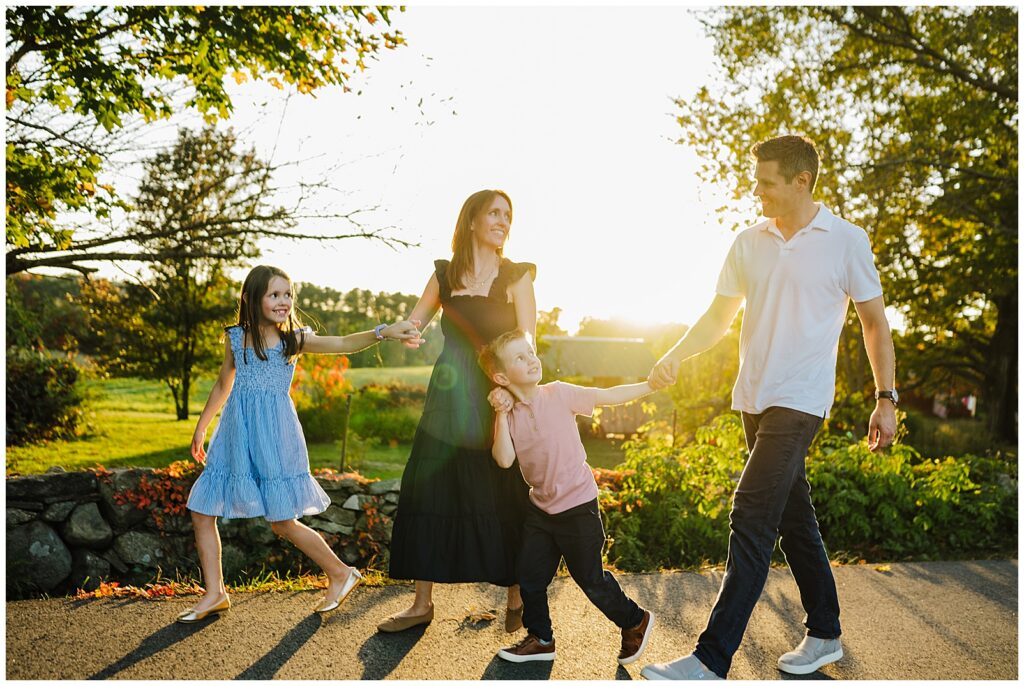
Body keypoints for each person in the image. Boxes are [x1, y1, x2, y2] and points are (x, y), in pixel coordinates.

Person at [640, 135, 898, 680]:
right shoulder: (748, 241)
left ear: (801, 181)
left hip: (801, 400)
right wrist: (675, 354)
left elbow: (874, 323)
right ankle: (825, 633)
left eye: (766, 181)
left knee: (751, 515)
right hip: (752, 398)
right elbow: (716, 317)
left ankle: (711, 660)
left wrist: (885, 398)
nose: (755, 190)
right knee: (793, 519)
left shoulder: (847, 241)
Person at [178, 265, 422, 623]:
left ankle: (340, 573)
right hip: (236, 433)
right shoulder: (234, 337)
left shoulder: (293, 339)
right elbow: (222, 385)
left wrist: (383, 332)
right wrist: (202, 427)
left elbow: (343, 344)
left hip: (275, 435)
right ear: (250, 298)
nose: (283, 302)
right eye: (274, 295)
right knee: (202, 509)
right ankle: (215, 593)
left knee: (281, 521)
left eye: (288, 294)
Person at [380, 189, 536, 634]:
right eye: (494, 213)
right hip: (448, 396)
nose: (503, 220)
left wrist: (514, 389)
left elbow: (528, 341)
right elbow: (416, 322)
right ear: (471, 220)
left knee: (504, 487)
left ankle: (517, 598)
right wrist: (399, 332)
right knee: (429, 488)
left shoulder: (517, 277)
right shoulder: (445, 275)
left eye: (509, 214)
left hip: (495, 393)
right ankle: (421, 604)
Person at [478, 329, 656, 665]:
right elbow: (503, 459)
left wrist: (650, 385)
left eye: (531, 352)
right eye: (520, 357)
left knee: (591, 580)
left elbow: (609, 395)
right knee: (529, 576)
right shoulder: (508, 413)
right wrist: (501, 412)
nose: (531, 359)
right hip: (541, 510)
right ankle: (541, 639)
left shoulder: (559, 394)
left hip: (578, 508)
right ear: (501, 376)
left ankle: (635, 621)